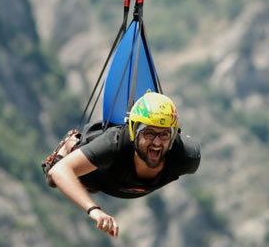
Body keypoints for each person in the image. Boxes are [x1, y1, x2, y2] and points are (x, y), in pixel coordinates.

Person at [42, 92, 201, 238]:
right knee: (55, 179)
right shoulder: (115, 144)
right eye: (149, 133)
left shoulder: (187, 157)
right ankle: (71, 144)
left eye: (165, 134)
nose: (157, 142)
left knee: (90, 184)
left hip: (115, 178)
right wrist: (94, 210)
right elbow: (59, 171)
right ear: (134, 131)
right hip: (98, 174)